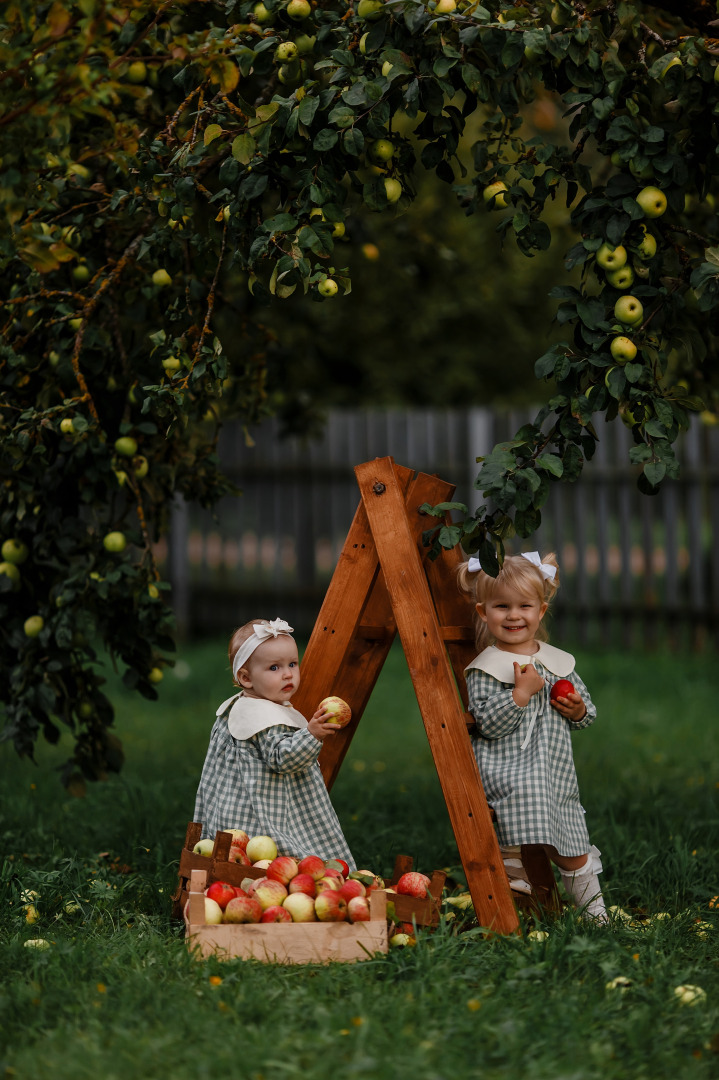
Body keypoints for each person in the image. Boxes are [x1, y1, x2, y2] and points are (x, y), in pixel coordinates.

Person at [458, 551, 607, 922]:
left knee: (572, 848)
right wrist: (519, 694)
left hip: (555, 775)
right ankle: (512, 867)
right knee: (520, 798)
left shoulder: (558, 662)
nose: (513, 615)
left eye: (524, 605)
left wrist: (577, 709)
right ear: (483, 612)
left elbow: (585, 711)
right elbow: (488, 723)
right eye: (501, 606)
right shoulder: (486, 669)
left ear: (540, 611)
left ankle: (596, 914)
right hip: (507, 770)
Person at [193, 617, 355, 869]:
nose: (288, 673)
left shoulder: (238, 708)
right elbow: (284, 758)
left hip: (230, 804)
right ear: (246, 678)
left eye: (292, 663)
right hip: (261, 808)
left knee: (239, 850)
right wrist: (312, 734)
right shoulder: (265, 719)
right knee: (278, 853)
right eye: (274, 668)